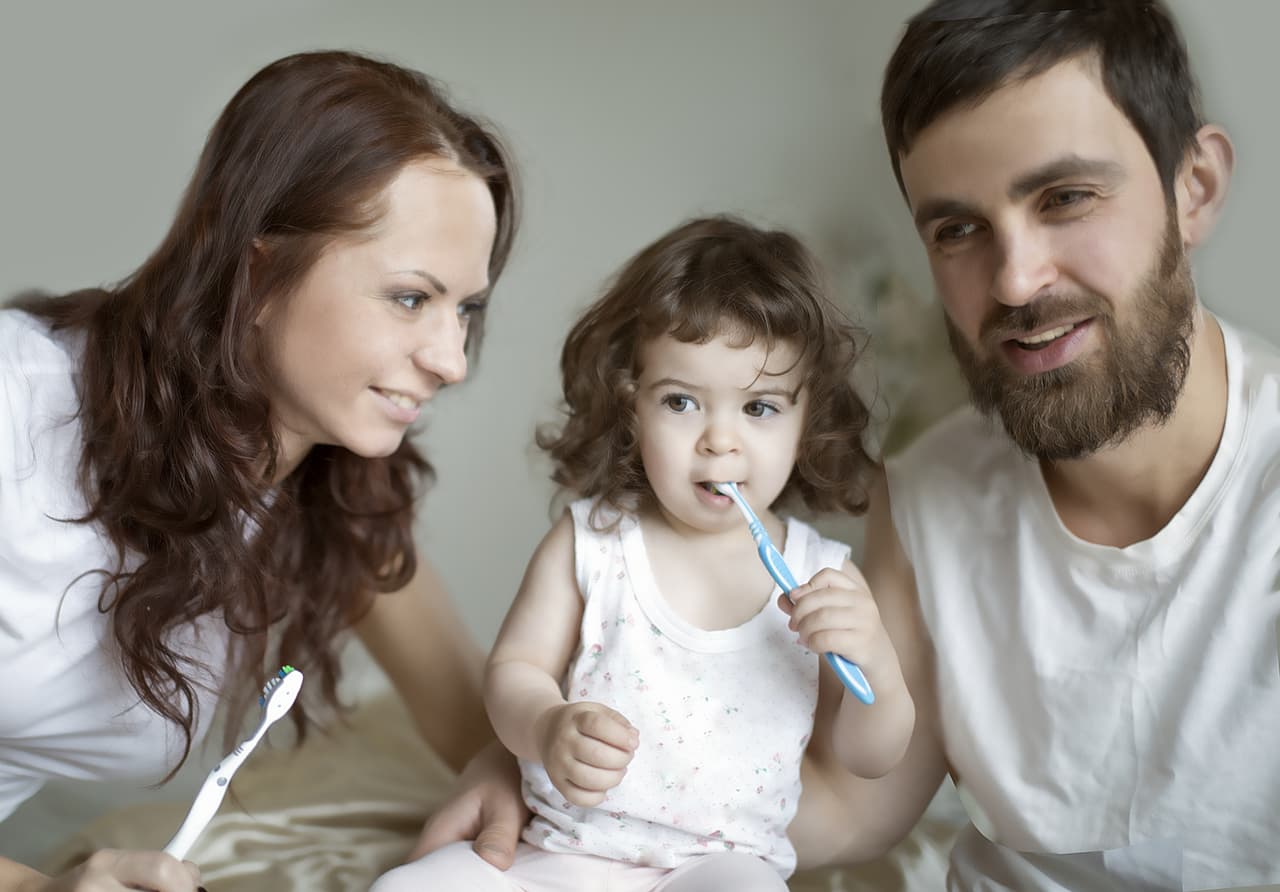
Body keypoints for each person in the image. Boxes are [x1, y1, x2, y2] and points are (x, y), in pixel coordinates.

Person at [0, 50, 527, 891]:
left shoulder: (327, 491)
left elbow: (476, 724)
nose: (452, 359)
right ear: (257, 268)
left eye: (466, 308)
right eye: (409, 298)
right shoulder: (15, 410)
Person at [824, 1, 1280, 890]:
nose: (1016, 278)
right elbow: (852, 804)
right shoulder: (926, 495)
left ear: (1197, 187)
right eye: (957, 229)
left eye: (1066, 198)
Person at [369, 216, 917, 891]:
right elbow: (514, 670)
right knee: (409, 886)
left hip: (713, 869)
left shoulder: (824, 575)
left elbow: (869, 757)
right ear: (631, 408)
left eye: (761, 408)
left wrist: (878, 669)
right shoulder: (592, 542)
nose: (721, 441)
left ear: (808, 419)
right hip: (556, 856)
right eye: (682, 402)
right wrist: (546, 726)